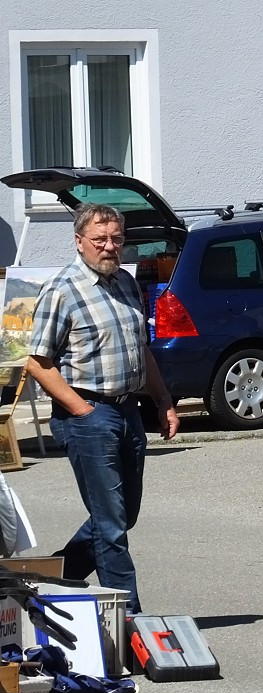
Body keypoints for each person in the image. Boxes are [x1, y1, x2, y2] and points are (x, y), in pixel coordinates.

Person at [26, 203, 180, 613]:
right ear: (79, 242)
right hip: (89, 415)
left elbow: (140, 351)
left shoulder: (127, 284)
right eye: (100, 240)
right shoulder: (62, 290)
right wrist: (81, 410)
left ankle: (53, 579)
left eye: (116, 238)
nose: (109, 247)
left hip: (129, 410)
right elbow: (37, 362)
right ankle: (128, 619)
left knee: (123, 514)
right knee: (111, 525)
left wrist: (163, 400)